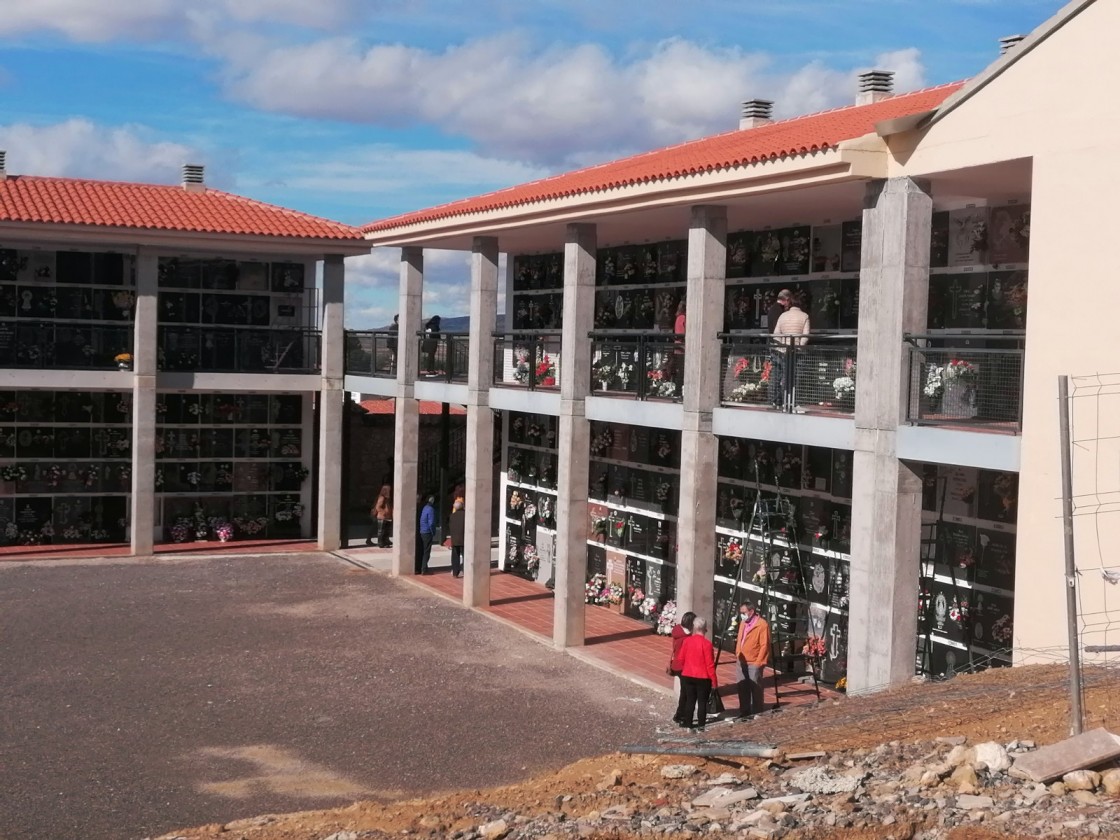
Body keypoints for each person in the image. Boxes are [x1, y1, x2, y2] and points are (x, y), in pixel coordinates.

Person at [678, 616, 718, 731]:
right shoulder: (707, 644)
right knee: (702, 702)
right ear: (705, 629)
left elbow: (681, 659)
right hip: (702, 677)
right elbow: (710, 665)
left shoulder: (687, 641)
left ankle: (689, 725)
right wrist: (714, 682)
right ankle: (701, 726)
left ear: (694, 628)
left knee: (690, 701)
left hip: (688, 674)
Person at [734, 600, 772, 720]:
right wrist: (737, 652)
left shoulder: (762, 625)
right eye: (741, 612)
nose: (742, 615)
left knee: (756, 687)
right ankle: (744, 711)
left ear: (751, 611)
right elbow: (740, 638)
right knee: (742, 687)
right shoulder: (743, 623)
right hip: (741, 660)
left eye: (744, 612)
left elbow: (764, 645)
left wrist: (758, 662)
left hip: (754, 661)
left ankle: (757, 712)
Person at [772, 291, 810, 411]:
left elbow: (775, 334)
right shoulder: (805, 316)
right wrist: (799, 346)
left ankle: (781, 402)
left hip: (783, 351)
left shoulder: (783, 316)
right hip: (797, 352)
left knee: (782, 376)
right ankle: (794, 402)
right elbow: (805, 335)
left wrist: (783, 345)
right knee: (796, 377)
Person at [668, 611, 696, 726]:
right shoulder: (687, 637)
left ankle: (680, 714)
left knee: (684, 691)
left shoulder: (677, 632)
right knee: (686, 692)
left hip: (677, 665)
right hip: (684, 666)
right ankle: (681, 715)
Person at [766, 290, 792, 408]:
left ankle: (772, 399)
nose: (789, 304)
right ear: (786, 299)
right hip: (779, 346)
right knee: (782, 373)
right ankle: (781, 399)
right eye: (789, 301)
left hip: (773, 344)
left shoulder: (772, 309)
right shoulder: (779, 311)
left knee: (776, 372)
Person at [418, 494, 436, 574]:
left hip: (422, 531)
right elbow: (431, 522)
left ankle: (422, 566)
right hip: (427, 532)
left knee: (423, 550)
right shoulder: (430, 509)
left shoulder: (424, 508)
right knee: (427, 551)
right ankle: (424, 568)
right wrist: (433, 532)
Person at [448, 497, 465, 578]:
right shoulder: (466, 515)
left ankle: (455, 572)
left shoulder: (452, 516)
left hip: (455, 539)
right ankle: (466, 570)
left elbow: (450, 526)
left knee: (455, 556)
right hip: (464, 539)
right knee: (466, 555)